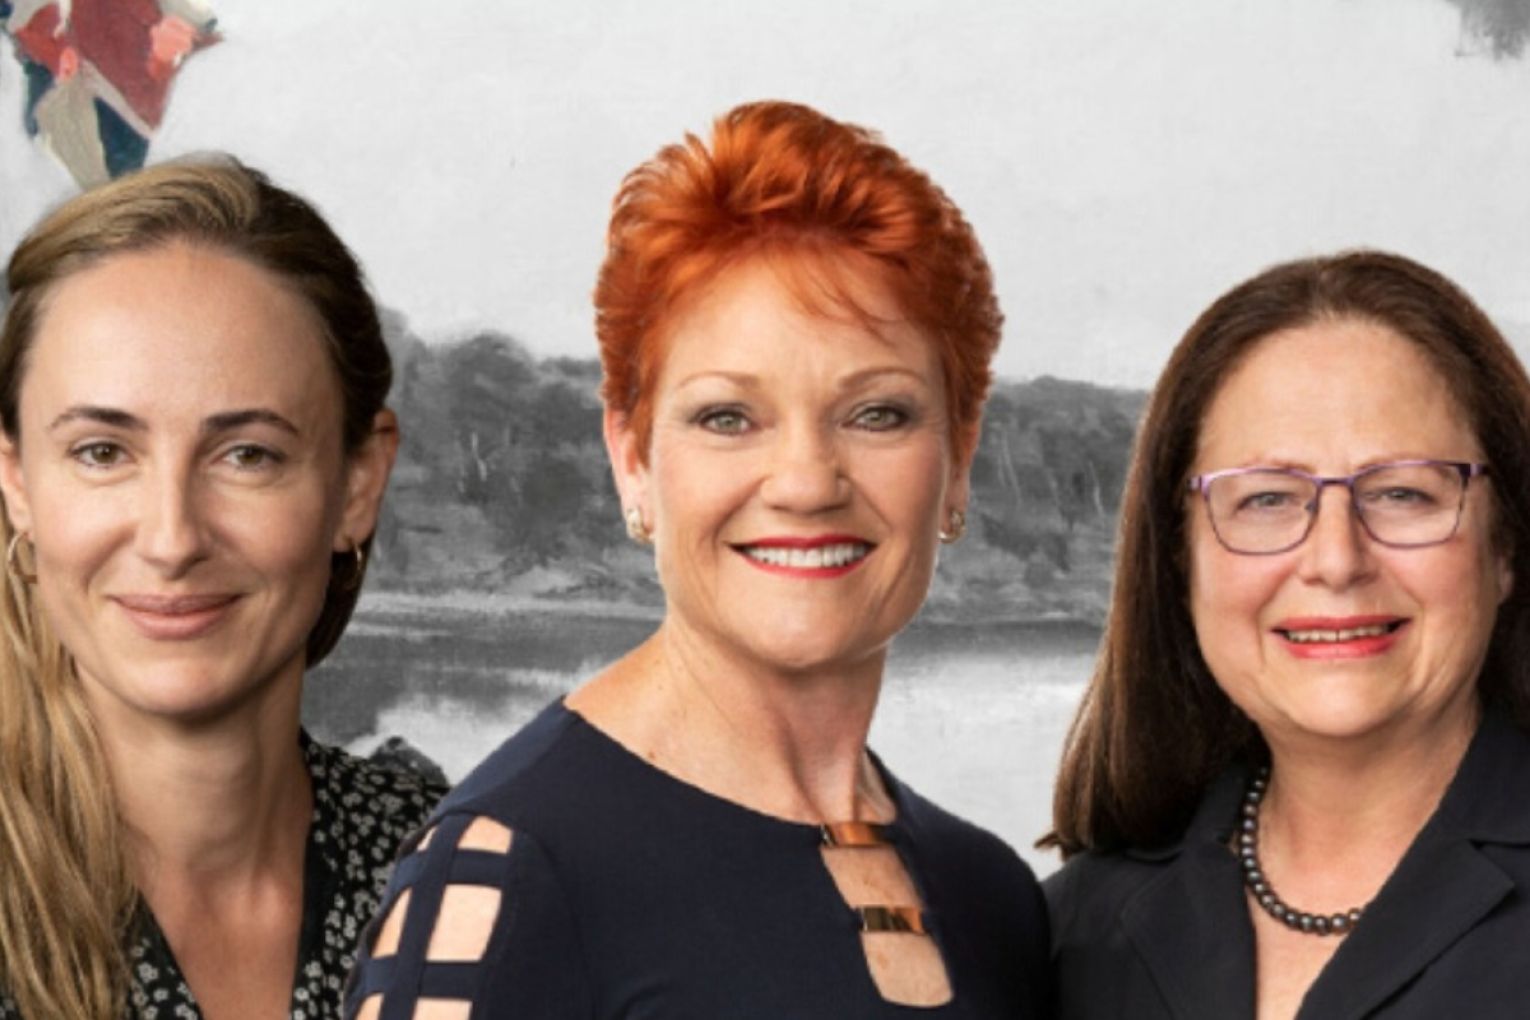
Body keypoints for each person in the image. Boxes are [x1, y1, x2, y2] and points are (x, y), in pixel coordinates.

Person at [345, 100, 1051, 1018]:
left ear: (957, 458)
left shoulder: (993, 897)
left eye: (877, 413)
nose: (804, 481)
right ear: (633, 459)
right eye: (728, 417)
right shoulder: (513, 869)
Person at [0, 158, 446, 1019]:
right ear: (17, 482)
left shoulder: (456, 868)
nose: (171, 540)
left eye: (248, 455)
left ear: (358, 482)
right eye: (102, 452)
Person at [1044, 250, 1530, 1018]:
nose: (1336, 560)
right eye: (1267, 500)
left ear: (1505, 547)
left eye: (1403, 492)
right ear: (1181, 559)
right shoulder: (1068, 938)